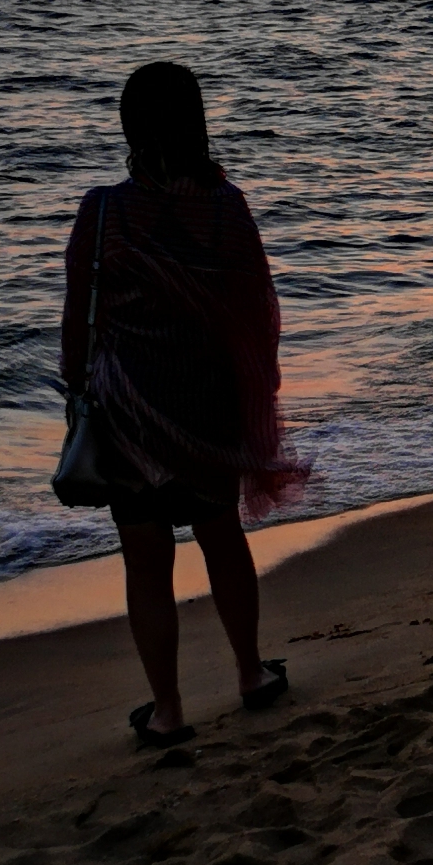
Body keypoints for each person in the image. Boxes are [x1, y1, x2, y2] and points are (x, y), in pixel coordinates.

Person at [61, 61, 306, 748]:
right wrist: (251, 390)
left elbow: (78, 319)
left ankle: (167, 711)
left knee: (146, 562)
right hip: (204, 410)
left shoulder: (103, 210)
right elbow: (255, 312)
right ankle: (251, 675)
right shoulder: (225, 208)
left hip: (129, 415)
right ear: (197, 124)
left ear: (129, 128)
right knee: (221, 539)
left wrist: (76, 394)